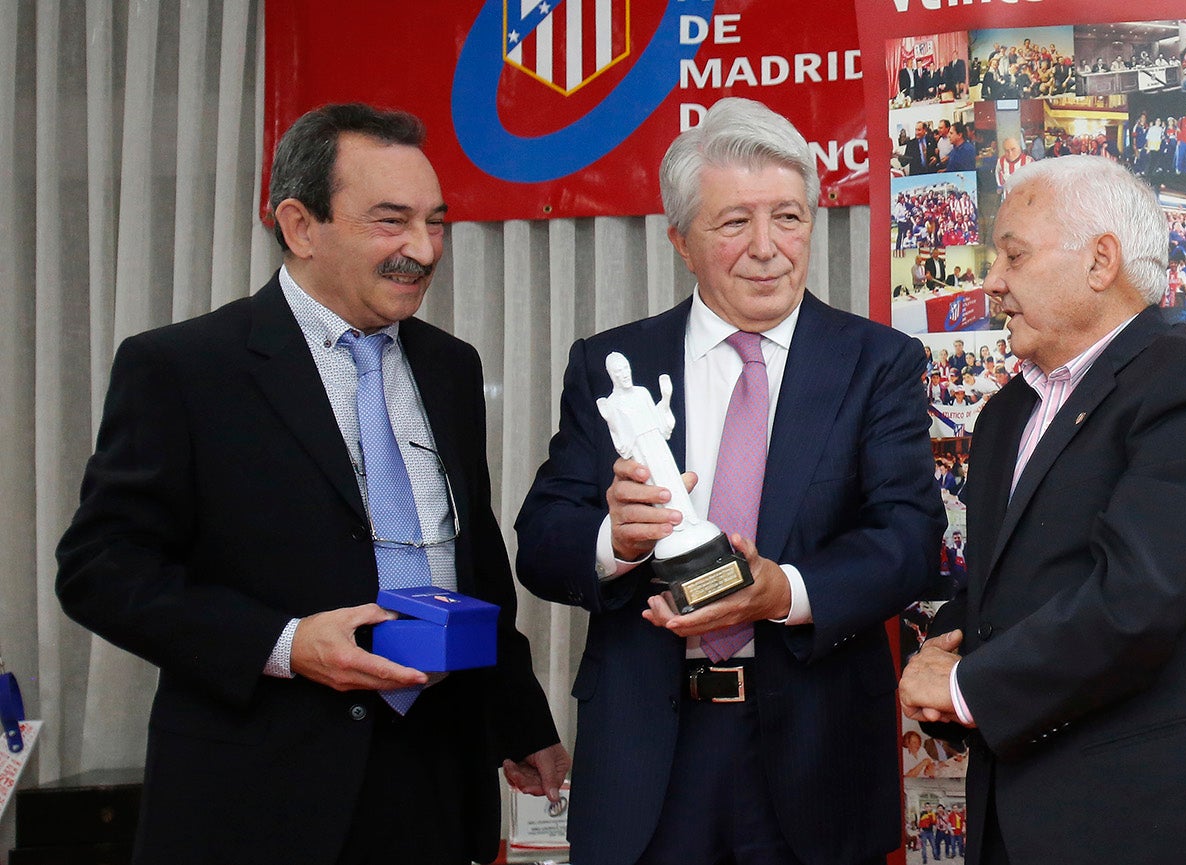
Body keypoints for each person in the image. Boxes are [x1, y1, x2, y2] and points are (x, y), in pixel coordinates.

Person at [54, 104, 568, 865]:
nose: (423, 250)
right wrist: (287, 644)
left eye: (436, 221)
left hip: (431, 779)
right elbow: (101, 570)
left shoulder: (449, 367)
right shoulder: (186, 369)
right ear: (300, 226)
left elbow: (471, 560)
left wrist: (520, 719)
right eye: (390, 221)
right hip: (261, 792)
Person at [515, 98, 946, 865]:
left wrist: (783, 591)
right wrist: (613, 538)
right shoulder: (612, 365)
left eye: (788, 216)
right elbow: (541, 540)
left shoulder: (878, 363)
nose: (767, 249)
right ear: (681, 240)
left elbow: (908, 539)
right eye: (733, 222)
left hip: (817, 755)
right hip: (650, 755)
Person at [896, 156, 1186, 865]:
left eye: (1013, 254)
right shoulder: (1007, 414)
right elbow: (1003, 594)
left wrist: (963, 684)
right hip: (1012, 827)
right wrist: (941, 654)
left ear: (1102, 260)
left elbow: (1135, 601)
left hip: (1150, 831)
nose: (993, 282)